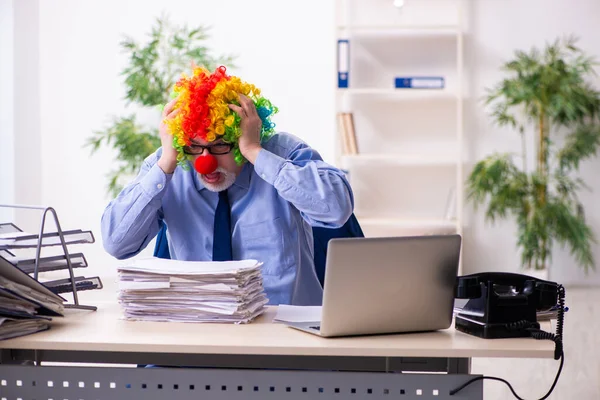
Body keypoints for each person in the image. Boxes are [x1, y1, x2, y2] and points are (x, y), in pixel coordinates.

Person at [100, 66, 354, 306]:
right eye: (193, 147)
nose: (205, 162)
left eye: (220, 145)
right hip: (203, 328)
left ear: (244, 134)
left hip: (283, 330)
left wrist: (255, 152)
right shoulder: (168, 163)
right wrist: (166, 163)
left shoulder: (283, 154)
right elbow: (116, 244)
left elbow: (336, 209)